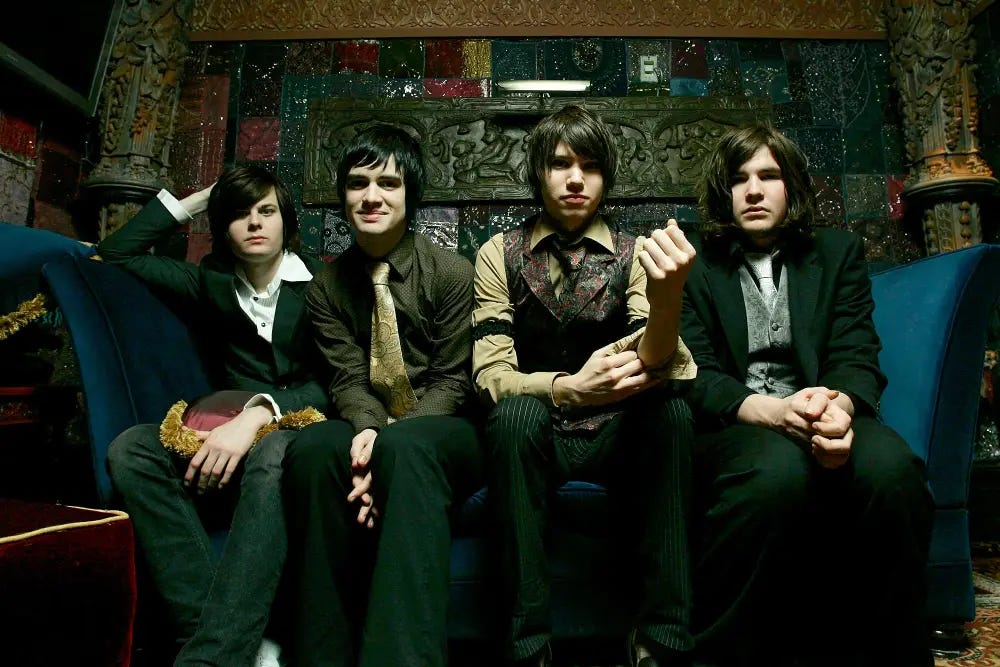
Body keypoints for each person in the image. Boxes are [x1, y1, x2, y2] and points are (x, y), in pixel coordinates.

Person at [681, 124, 933, 666]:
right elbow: (692, 372)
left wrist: (835, 412)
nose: (753, 190)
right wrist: (774, 414)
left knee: (892, 469)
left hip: (824, 406)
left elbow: (855, 352)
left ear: (791, 185)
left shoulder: (837, 252)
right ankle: (722, 653)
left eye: (768, 175)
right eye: (738, 179)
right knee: (774, 474)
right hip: (736, 423)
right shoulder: (692, 260)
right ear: (723, 192)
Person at [472, 104, 698, 667]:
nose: (576, 179)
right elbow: (490, 375)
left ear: (606, 176)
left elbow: (661, 363)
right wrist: (569, 388)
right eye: (560, 164)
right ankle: (529, 650)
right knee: (512, 414)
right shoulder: (498, 253)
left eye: (590, 166)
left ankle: (661, 641)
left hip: (619, 434)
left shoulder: (637, 253)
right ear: (538, 172)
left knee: (672, 412)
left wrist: (667, 301)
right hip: (538, 434)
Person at [99, 166, 330, 666]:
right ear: (223, 226)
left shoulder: (324, 285)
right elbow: (116, 252)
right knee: (130, 448)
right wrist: (203, 198)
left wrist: (259, 413)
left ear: (286, 222)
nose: (255, 223)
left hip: (302, 430)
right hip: (221, 435)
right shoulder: (211, 283)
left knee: (274, 450)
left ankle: (211, 658)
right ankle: (221, 640)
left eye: (266, 211)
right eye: (239, 214)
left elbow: (338, 383)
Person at [282, 124, 483, 667]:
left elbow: (453, 381)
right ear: (343, 197)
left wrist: (391, 441)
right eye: (358, 183)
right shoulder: (326, 287)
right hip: (367, 423)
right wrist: (370, 431)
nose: (372, 196)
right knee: (312, 449)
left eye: (388, 183)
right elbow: (347, 377)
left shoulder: (452, 273)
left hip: (446, 431)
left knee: (408, 448)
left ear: (410, 196)